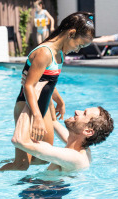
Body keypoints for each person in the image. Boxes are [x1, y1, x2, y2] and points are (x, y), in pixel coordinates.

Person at [8, 12, 95, 171]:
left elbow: (48, 82)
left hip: (43, 107)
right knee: (21, 166)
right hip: (28, 106)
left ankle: (15, 160)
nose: (77, 50)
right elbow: (29, 86)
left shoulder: (59, 54)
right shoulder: (44, 53)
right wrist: (36, 116)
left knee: (41, 159)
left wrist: (59, 101)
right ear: (71, 34)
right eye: (79, 45)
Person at [0, 81, 114, 172]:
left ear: (88, 131)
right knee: (37, 161)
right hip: (44, 191)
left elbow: (19, 141)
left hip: (42, 198)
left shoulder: (75, 157)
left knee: (23, 164)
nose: (76, 111)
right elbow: (53, 121)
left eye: (84, 114)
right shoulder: (81, 146)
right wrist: (47, 86)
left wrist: (33, 95)